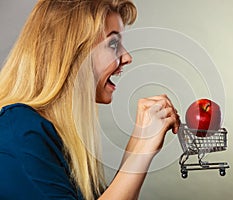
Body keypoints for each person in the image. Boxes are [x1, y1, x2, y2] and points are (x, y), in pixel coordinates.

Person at [0, 0, 180, 199]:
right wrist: (142, 152)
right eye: (113, 43)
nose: (127, 57)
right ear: (73, 53)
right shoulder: (20, 131)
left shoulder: (56, 135)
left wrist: (139, 142)